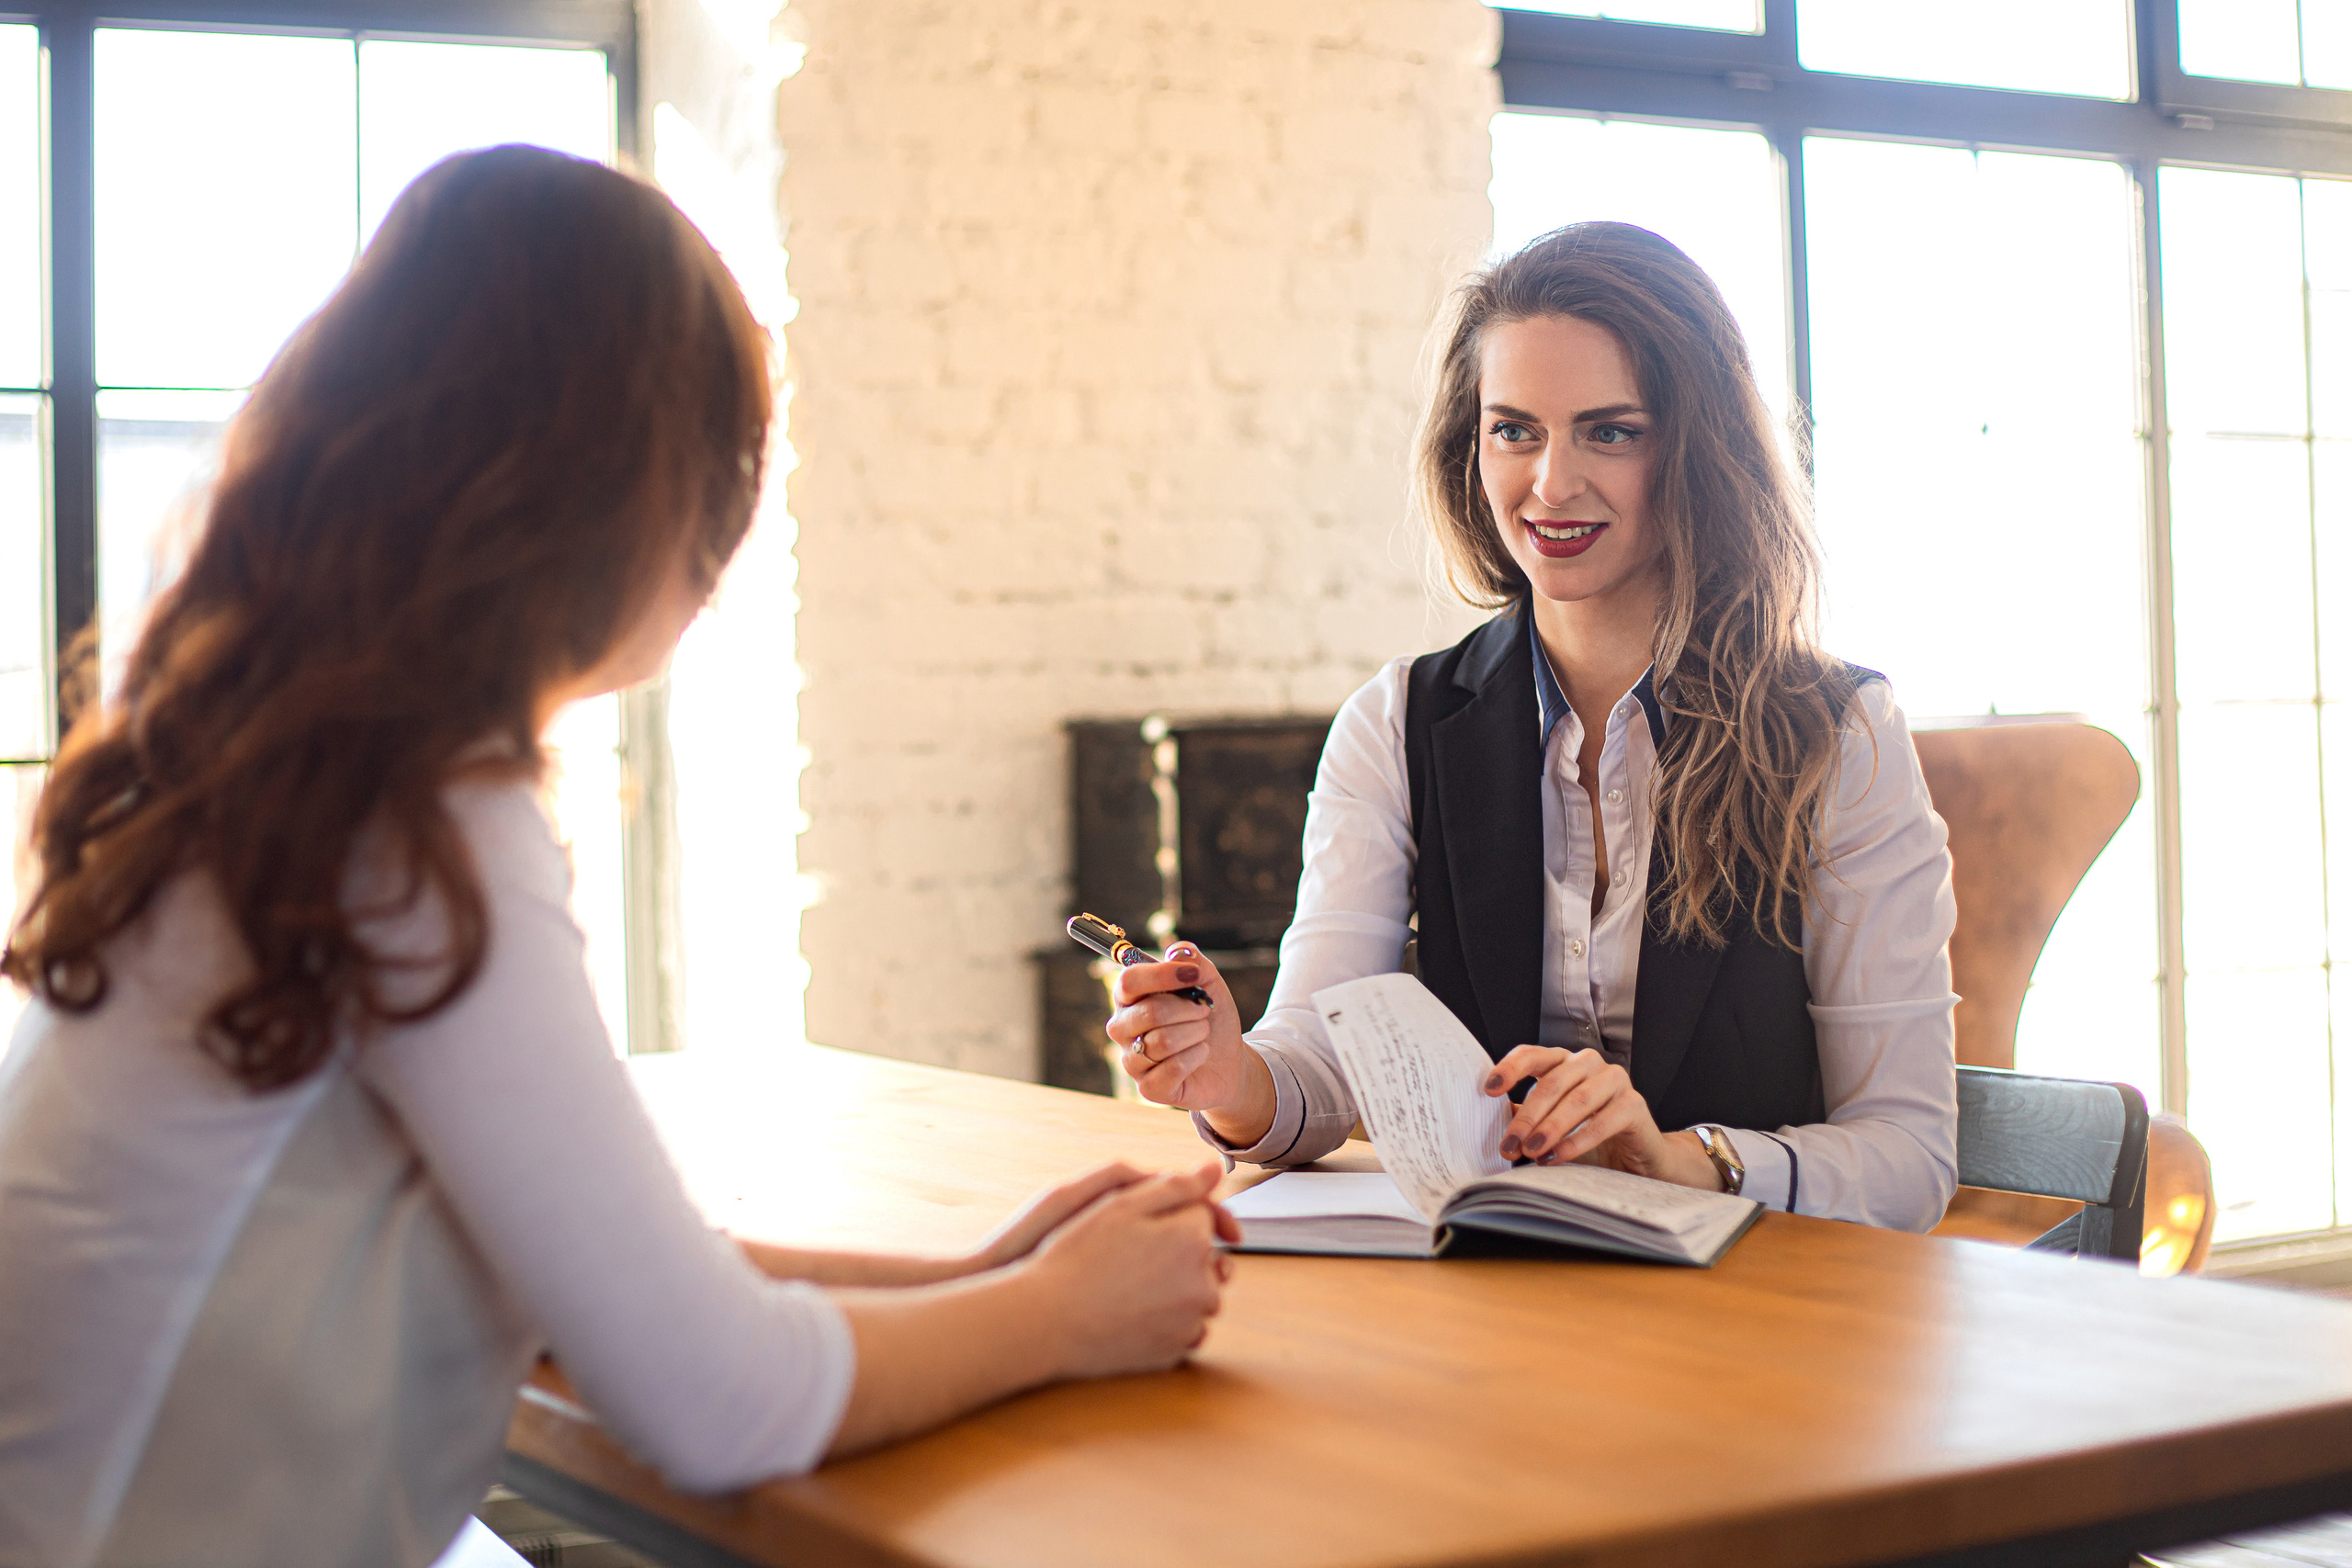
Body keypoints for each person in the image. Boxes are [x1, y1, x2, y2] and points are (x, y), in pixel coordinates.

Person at [0, 146, 1230, 1568]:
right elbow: (718, 1396)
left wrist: (986, 1270)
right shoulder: (416, 826)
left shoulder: (263, 772)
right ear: (607, 485)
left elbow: (587, 1275)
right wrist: (1059, 1314)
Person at [1107, 222, 1958, 1231]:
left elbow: (1909, 1158)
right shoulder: (1396, 723)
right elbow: (1317, 1070)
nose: (1550, 484)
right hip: (1501, 1309)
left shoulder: (1838, 736)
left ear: (1695, 452)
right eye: (1514, 430)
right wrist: (1228, 1073)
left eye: (1611, 431)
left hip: (1760, 1320)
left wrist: (1683, 1162)